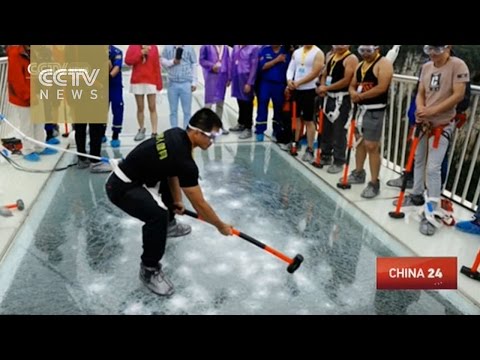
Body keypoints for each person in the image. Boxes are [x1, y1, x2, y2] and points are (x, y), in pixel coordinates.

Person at [105, 108, 233, 296]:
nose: (212, 142)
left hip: (138, 178)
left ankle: (169, 225)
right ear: (197, 133)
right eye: (211, 137)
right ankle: (149, 269)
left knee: (166, 192)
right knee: (157, 215)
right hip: (121, 187)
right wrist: (220, 226)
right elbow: (200, 205)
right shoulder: (186, 163)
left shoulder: (176, 134)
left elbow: (171, 171)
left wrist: (177, 200)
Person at [405, 45, 469, 236]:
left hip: (442, 124)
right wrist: (420, 109)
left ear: (448, 47)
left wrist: (432, 111)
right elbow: (421, 92)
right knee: (419, 159)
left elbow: (458, 95)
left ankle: (431, 210)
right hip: (424, 122)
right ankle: (416, 195)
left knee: (433, 167)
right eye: (429, 48)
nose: (433, 53)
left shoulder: (458, 65)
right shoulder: (426, 67)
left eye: (437, 48)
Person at [345, 45, 393, 198]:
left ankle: (374, 182)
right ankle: (359, 172)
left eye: (368, 51)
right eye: (362, 51)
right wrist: (353, 93)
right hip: (360, 109)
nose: (365, 54)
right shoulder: (360, 65)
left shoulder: (383, 64)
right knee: (359, 142)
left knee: (372, 145)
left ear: (377, 49)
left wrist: (361, 96)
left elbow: (382, 87)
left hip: (374, 110)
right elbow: (352, 84)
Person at [6, 45, 57, 162]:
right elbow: (16, 79)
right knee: (27, 124)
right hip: (22, 98)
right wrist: (27, 96)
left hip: (37, 94)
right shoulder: (15, 53)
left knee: (39, 122)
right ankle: (28, 150)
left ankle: (39, 147)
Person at [317, 45, 358, 173]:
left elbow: (347, 80)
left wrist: (327, 88)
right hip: (328, 97)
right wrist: (323, 86)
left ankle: (339, 160)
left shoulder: (351, 58)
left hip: (342, 98)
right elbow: (324, 74)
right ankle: (326, 154)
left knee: (339, 130)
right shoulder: (331, 56)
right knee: (326, 128)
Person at [125, 45, 162, 140]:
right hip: (138, 80)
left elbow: (157, 65)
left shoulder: (153, 47)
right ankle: (141, 129)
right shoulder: (133, 47)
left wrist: (159, 82)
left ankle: (154, 132)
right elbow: (128, 61)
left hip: (151, 80)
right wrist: (140, 53)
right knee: (140, 107)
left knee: (152, 106)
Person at [254, 45, 290, 142]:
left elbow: (290, 69)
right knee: (262, 105)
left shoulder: (286, 52)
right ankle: (260, 130)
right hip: (266, 83)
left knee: (278, 108)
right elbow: (263, 66)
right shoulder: (264, 50)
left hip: (280, 84)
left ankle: (277, 130)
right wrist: (276, 60)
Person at [161, 45, 198, 129]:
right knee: (173, 111)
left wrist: (194, 82)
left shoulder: (189, 48)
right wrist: (172, 62)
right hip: (172, 83)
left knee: (187, 111)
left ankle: (186, 132)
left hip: (186, 83)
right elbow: (162, 60)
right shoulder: (167, 47)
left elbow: (194, 64)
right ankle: (174, 130)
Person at [198, 45, 230, 134]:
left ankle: (218, 126)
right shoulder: (206, 46)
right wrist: (212, 66)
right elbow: (201, 60)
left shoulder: (225, 48)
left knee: (220, 104)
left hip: (222, 77)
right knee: (208, 104)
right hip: (211, 77)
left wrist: (229, 78)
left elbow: (228, 62)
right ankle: (205, 126)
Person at [105, 45, 124, 148]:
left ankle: (115, 135)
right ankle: (101, 133)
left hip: (114, 86)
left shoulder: (116, 52)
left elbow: (116, 67)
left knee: (117, 107)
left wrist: (108, 76)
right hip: (100, 86)